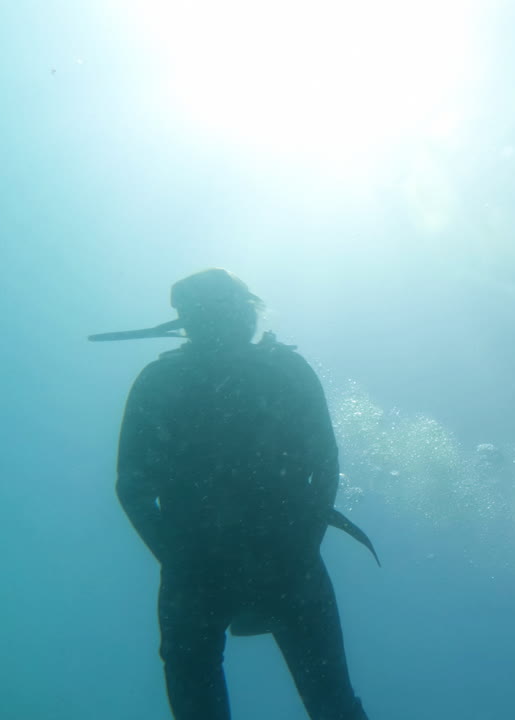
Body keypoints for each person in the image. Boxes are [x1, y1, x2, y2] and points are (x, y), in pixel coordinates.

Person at [92, 269, 373, 720]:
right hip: (276, 561)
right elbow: (325, 467)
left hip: (225, 565)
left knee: (317, 700)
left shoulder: (162, 381)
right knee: (332, 701)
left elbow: (132, 487)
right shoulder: (282, 371)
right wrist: (298, 548)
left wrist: (182, 563)